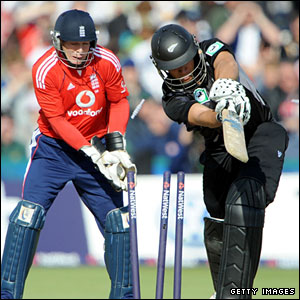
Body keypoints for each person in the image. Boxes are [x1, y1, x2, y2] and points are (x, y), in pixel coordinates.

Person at [1, 9, 136, 299]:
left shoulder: (107, 61)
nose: (79, 51)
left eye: (85, 44)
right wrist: (94, 152)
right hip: (53, 150)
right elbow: (58, 121)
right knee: (27, 216)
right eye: (73, 44)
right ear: (59, 42)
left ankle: (125, 296)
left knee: (119, 222)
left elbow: (119, 101)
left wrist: (116, 144)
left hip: (98, 146)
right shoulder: (44, 68)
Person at [150, 24, 289, 299]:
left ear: (194, 50)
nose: (184, 73)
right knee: (217, 212)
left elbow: (226, 61)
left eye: (186, 64)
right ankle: (227, 290)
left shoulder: (210, 48)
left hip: (262, 132)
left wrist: (228, 89)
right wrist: (222, 116)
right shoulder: (171, 97)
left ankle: (233, 294)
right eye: (175, 70)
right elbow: (197, 115)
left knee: (244, 199)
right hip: (219, 145)